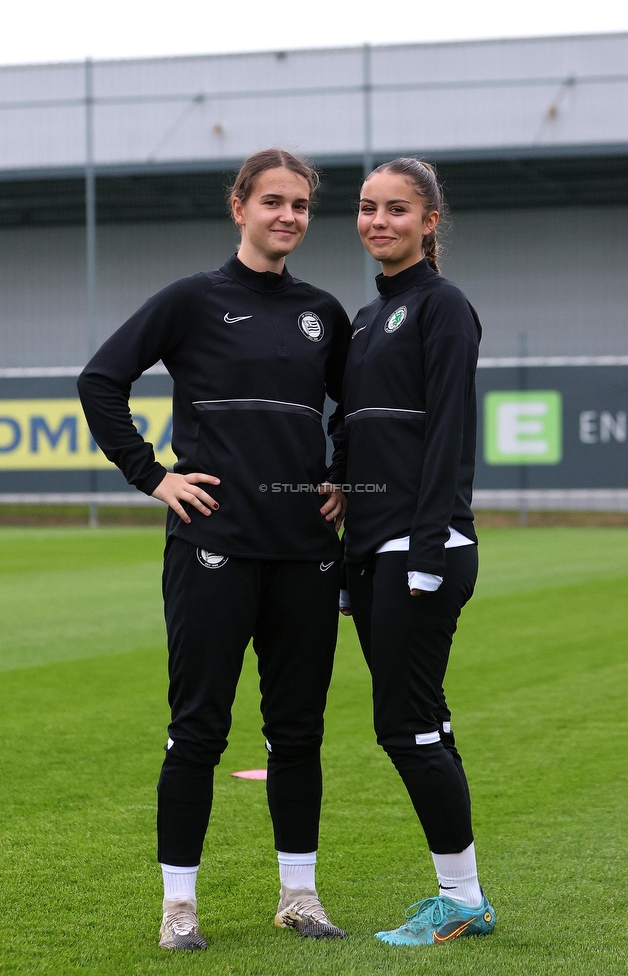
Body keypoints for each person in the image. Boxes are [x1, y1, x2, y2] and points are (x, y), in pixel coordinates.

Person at [77, 149, 350, 949]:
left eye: (300, 205)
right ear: (239, 207)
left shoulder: (323, 312)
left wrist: (344, 476)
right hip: (213, 546)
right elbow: (102, 380)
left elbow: (359, 408)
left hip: (304, 550)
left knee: (297, 732)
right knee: (199, 728)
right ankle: (179, 908)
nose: (288, 216)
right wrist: (153, 475)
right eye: (272, 201)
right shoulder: (193, 300)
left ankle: (300, 896)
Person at [339, 157, 496, 946]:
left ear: (430, 221)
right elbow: (355, 435)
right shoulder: (366, 319)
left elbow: (448, 439)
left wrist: (429, 552)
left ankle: (463, 901)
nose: (378, 222)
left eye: (397, 210)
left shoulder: (443, 307)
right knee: (421, 721)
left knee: (406, 727)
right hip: (371, 551)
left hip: (420, 548)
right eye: (368, 208)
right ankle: (462, 893)